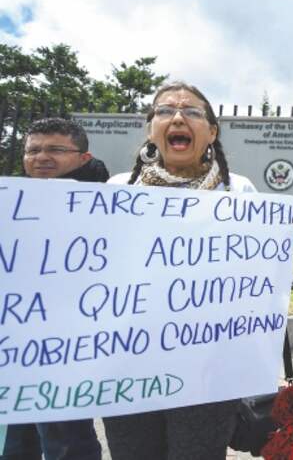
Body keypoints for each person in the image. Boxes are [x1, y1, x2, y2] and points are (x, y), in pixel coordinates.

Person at [101, 82, 257, 460]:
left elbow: (255, 273)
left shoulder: (238, 191)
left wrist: (285, 234)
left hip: (207, 364)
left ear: (212, 132)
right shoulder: (118, 188)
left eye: (191, 112)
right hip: (128, 361)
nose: (177, 118)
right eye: (164, 111)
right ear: (151, 128)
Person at [2, 119, 106, 460]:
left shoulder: (108, 208)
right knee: (16, 440)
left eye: (55, 150)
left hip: (67, 347)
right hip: (15, 344)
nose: (41, 157)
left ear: (83, 157)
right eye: (33, 150)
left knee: (65, 439)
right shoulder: (12, 204)